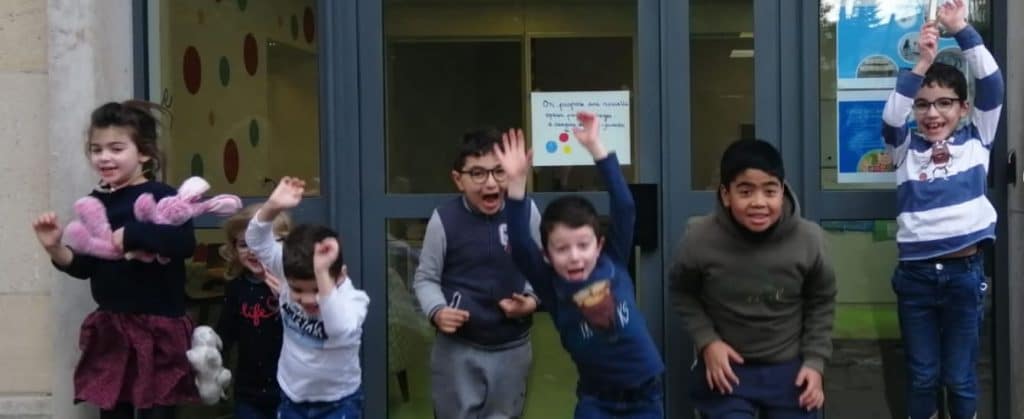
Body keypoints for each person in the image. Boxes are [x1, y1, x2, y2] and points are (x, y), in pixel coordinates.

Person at [31, 100, 198, 419]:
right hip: (113, 328)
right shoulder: (95, 202)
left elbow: (183, 242)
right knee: (113, 411)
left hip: (159, 327)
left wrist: (133, 234)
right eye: (97, 149)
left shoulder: (162, 195)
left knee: (159, 411)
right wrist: (56, 249)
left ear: (144, 153)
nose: (104, 157)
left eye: (116, 148)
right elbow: (85, 266)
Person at [879, 1, 1003, 417]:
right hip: (915, 279)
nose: (933, 113)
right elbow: (890, 117)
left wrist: (961, 29)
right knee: (922, 375)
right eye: (924, 104)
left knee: (960, 376)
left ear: (963, 109)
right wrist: (923, 62)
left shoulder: (977, 140)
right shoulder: (903, 150)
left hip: (964, 277)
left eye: (945, 103)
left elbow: (992, 84)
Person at [497, 111, 664, 418]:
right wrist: (517, 185)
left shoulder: (612, 260)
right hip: (596, 400)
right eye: (562, 249)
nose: (574, 256)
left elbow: (625, 207)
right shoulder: (552, 286)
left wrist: (596, 148)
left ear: (598, 246)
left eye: (583, 245)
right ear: (547, 255)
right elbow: (521, 246)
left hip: (645, 396)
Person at [669, 138, 836, 418]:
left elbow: (822, 301)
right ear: (725, 194)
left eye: (769, 191)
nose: (759, 203)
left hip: (789, 370)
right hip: (728, 371)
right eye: (745, 192)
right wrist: (707, 341)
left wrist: (815, 362)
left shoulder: (809, 239)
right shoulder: (699, 237)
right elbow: (682, 291)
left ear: (782, 191)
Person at [412, 128, 541, 419]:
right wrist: (437, 310)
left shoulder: (526, 212)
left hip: (513, 347)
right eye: (478, 174)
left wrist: (532, 300)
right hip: (458, 349)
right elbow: (426, 278)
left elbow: (543, 269)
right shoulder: (443, 219)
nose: (491, 183)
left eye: (499, 171)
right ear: (459, 179)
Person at [245, 177, 370, 419]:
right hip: (292, 395)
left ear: (341, 276)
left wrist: (322, 273)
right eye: (297, 290)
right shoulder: (286, 267)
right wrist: (272, 206)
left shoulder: (354, 300)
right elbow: (256, 242)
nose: (308, 299)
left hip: (338, 402)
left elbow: (338, 329)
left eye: (317, 289)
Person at [215, 204, 290, 418]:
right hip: (249, 392)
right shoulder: (237, 287)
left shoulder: (296, 285)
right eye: (244, 244)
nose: (253, 251)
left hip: (290, 390)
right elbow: (225, 334)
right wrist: (215, 369)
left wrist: (288, 298)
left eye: (262, 243)